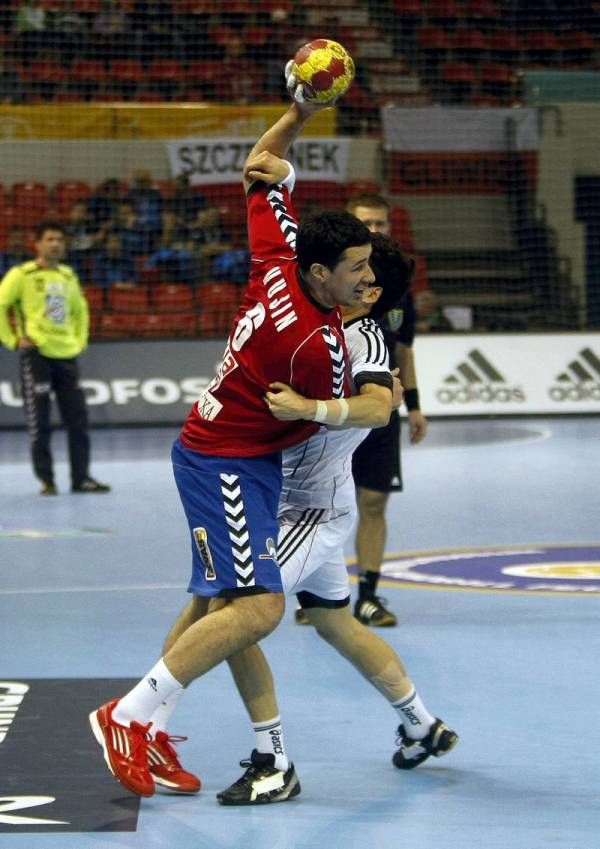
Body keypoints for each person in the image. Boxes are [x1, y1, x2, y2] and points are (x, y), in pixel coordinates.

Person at [88, 96, 376, 799]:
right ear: (319, 275)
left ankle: (152, 727)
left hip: (212, 448)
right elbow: (355, 410)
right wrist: (331, 404)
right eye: (355, 271)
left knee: (209, 603)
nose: (364, 281)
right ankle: (124, 714)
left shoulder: (279, 258)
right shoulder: (319, 345)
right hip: (229, 466)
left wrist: (301, 110)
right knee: (260, 608)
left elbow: (258, 166)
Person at [137, 232, 458, 804]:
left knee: (236, 610)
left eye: (362, 268)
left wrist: (309, 408)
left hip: (304, 509)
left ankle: (266, 758)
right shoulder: (322, 319)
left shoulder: (364, 340)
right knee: (337, 624)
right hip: (289, 496)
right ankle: (421, 723)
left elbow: (379, 406)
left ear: (372, 289)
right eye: (348, 264)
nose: (350, 273)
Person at [343, 193, 429, 628]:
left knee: (373, 501)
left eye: (380, 223)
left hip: (382, 409)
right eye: (366, 224)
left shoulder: (397, 286)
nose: (374, 231)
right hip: (336, 410)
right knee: (321, 503)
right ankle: (313, 594)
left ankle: (369, 597)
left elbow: (406, 351)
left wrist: (414, 406)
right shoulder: (335, 284)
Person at [0, 220, 110, 496]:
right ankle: (47, 480)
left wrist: (79, 341)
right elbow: (1, 306)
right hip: (37, 355)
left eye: (60, 239)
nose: (56, 244)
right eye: (49, 239)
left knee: (78, 420)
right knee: (41, 421)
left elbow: (80, 310)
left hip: (66, 355)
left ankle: (81, 478)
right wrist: (13, 340)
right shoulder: (22, 274)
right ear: (37, 244)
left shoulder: (68, 276)